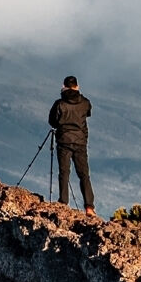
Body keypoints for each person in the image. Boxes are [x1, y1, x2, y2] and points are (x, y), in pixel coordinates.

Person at [48, 75, 95, 212]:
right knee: (84, 174)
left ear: (64, 86)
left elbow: (52, 121)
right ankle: (89, 207)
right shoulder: (85, 103)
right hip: (80, 141)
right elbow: (87, 114)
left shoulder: (59, 104)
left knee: (64, 172)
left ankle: (63, 202)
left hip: (64, 141)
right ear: (77, 86)